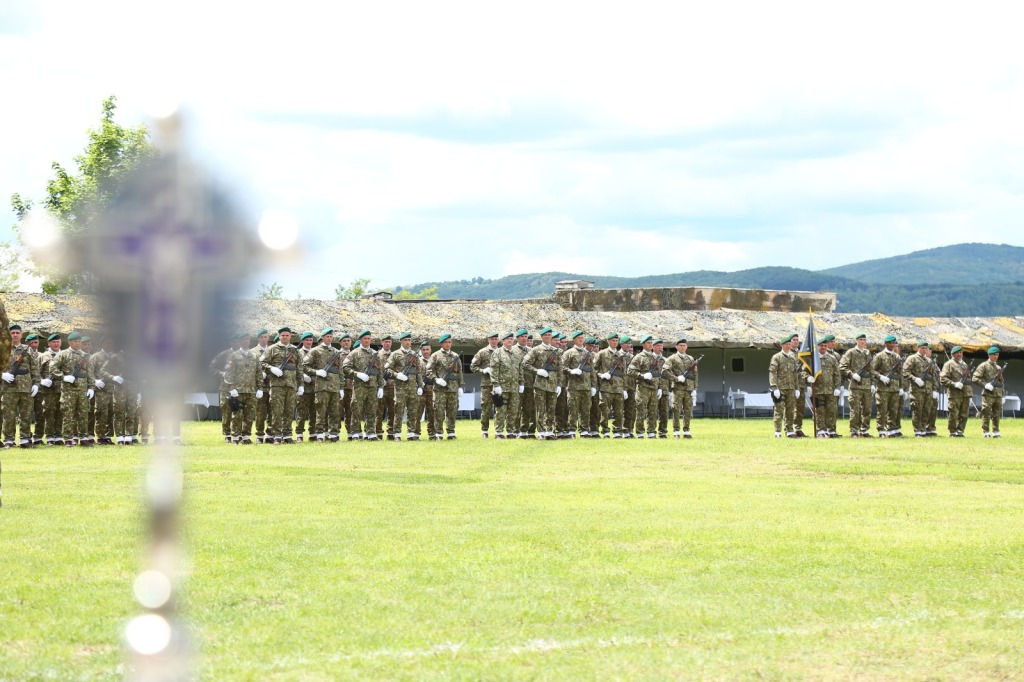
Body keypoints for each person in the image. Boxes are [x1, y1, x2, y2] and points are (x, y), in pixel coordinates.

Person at [47, 331, 93, 446]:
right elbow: (52, 368)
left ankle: (83, 437)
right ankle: (68, 438)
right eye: (75, 341)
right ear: (70, 342)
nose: (77, 344)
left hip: (83, 389)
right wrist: (64, 377)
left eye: (79, 341)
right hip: (68, 389)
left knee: (83, 413)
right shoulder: (63, 354)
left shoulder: (86, 356)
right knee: (68, 414)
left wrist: (91, 387)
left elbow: (90, 373)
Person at [2, 324, 40, 449]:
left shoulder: (28, 349)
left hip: (26, 387)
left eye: (17, 333)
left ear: (21, 334)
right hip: (8, 387)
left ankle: (25, 439)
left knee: (26, 414)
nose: (15, 335)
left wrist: (36, 384)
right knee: (9, 415)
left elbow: (34, 368)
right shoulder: (3, 349)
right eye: (12, 333)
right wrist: (2, 375)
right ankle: (9, 439)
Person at [261, 326, 302, 444]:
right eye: (283, 335)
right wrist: (272, 368)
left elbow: (299, 368)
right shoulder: (272, 349)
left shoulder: (295, 350)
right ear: (279, 336)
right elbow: (262, 362)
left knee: (289, 411)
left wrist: (301, 385)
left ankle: (287, 435)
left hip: (291, 385)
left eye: (287, 335)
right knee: (276, 411)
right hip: (277, 385)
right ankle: (277, 435)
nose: (285, 337)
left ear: (290, 337)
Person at [343, 330, 384, 440]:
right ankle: (356, 432)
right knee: (356, 409)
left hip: (373, 386)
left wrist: (380, 387)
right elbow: (345, 368)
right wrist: (357, 374)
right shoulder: (354, 353)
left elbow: (380, 371)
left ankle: (370, 432)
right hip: (359, 386)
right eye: (365, 338)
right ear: (361, 339)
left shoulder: (375, 354)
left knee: (372, 409)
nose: (367, 340)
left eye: (368, 338)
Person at [304, 329, 344, 442]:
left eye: (331, 337)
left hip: (334, 386)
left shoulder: (336, 352)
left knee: (334, 412)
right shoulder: (315, 351)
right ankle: (320, 434)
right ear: (322, 338)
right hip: (322, 386)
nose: (329, 338)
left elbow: (340, 371)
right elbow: (303, 366)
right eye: (327, 336)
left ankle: (333, 434)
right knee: (320, 411)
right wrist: (316, 372)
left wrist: (341, 387)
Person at [522, 328, 560, 440]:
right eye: (546, 335)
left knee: (551, 409)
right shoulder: (536, 350)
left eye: (550, 335)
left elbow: (560, 369)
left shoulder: (556, 351)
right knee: (540, 409)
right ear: (542, 337)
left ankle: (549, 431)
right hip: (540, 385)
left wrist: (559, 384)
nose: (548, 337)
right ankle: (541, 432)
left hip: (553, 384)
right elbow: (525, 363)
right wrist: (537, 371)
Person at [386, 332, 425, 441]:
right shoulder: (395, 354)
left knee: (413, 411)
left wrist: (420, 386)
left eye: (409, 340)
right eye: (406, 340)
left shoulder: (415, 355)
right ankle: (397, 433)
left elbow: (418, 372)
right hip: (400, 388)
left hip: (413, 387)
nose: (408, 342)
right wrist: (397, 375)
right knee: (398, 411)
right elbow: (387, 369)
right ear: (401, 341)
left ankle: (411, 433)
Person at [426, 333, 463, 440]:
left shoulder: (456, 356)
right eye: (446, 342)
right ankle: (438, 433)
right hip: (440, 390)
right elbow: (428, 371)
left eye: (449, 342)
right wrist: (436, 379)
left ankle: (451, 432)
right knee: (439, 411)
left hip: (453, 388)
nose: (448, 344)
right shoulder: (435, 356)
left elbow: (460, 372)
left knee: (452, 411)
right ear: (442, 344)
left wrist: (461, 386)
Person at [802, 339, 841, 438]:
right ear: (817, 347)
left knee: (832, 410)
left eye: (824, 345)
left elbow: (837, 374)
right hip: (817, 390)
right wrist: (808, 377)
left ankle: (831, 430)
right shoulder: (812, 359)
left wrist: (837, 387)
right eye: (821, 346)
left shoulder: (832, 358)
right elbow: (803, 372)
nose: (823, 347)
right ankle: (821, 430)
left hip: (830, 390)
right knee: (819, 411)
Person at [839, 333, 874, 437]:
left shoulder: (867, 353)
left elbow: (871, 369)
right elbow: (842, 366)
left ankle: (865, 430)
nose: (863, 341)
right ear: (856, 340)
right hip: (855, 386)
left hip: (867, 386)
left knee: (867, 409)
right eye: (861, 339)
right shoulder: (851, 352)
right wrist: (852, 374)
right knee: (855, 409)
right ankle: (854, 431)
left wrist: (872, 383)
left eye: (864, 339)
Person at [561, 331, 595, 438]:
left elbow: (592, 371)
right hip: (574, 386)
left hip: (586, 386)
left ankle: (584, 430)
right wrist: (571, 371)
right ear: (574, 340)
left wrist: (593, 386)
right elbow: (562, 367)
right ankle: (571, 430)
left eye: (582, 338)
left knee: (586, 409)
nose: (581, 339)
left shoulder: (588, 354)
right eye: (579, 338)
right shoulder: (569, 353)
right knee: (573, 409)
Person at [489, 332, 523, 439]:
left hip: (514, 387)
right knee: (501, 410)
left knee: (513, 410)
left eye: (511, 339)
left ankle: (510, 431)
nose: (510, 341)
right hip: (502, 387)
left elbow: (520, 369)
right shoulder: (497, 353)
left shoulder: (516, 354)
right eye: (507, 339)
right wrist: (496, 384)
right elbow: (494, 370)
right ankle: (499, 432)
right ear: (503, 341)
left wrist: (521, 383)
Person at [903, 341, 939, 437]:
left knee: (926, 410)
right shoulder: (912, 358)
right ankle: (917, 430)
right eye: (922, 348)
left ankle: (923, 429)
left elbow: (933, 376)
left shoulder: (929, 361)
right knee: (917, 410)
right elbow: (905, 372)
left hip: (928, 390)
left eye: (926, 348)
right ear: (918, 348)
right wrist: (915, 379)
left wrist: (935, 389)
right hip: (917, 390)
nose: (924, 350)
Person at [871, 335, 905, 438]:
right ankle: (881, 430)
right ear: (885, 344)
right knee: (882, 409)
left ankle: (892, 429)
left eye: (894, 343)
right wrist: (880, 377)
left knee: (894, 409)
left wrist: (901, 387)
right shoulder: (879, 356)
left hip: (895, 388)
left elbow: (901, 373)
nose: (893, 345)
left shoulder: (897, 357)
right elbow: (872, 370)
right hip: (883, 388)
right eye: (890, 343)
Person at [627, 335, 660, 439]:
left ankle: (651, 431)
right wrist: (642, 376)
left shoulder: (655, 357)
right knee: (641, 410)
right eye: (648, 343)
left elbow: (659, 373)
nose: (650, 345)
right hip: (643, 387)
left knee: (653, 410)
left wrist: (660, 387)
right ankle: (640, 432)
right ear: (643, 344)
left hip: (654, 387)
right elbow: (630, 371)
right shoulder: (639, 357)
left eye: (651, 343)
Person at [665, 338, 698, 438]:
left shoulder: (691, 359)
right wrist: (675, 378)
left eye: (684, 345)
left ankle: (686, 430)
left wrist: (695, 388)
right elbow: (665, 371)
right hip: (678, 388)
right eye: (680, 345)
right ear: (676, 347)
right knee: (676, 410)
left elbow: (695, 374)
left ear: (686, 346)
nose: (682, 347)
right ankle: (676, 431)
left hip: (689, 389)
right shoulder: (672, 358)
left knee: (688, 410)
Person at [769, 336, 799, 438]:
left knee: (790, 410)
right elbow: (773, 372)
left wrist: (797, 388)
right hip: (780, 388)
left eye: (789, 344)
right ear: (782, 345)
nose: (788, 346)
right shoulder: (777, 357)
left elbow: (795, 374)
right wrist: (774, 387)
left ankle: (789, 430)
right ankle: (778, 431)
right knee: (779, 410)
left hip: (791, 388)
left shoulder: (792, 357)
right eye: (786, 344)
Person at [470, 333, 499, 438]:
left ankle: (498, 431)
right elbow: (473, 367)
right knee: (486, 408)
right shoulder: (482, 352)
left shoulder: (501, 351)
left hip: (499, 385)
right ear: (488, 340)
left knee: (499, 408)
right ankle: (485, 431)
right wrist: (483, 370)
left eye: (496, 339)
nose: (494, 341)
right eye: (492, 339)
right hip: (487, 385)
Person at [37, 333, 64, 445]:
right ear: (49, 343)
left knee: (61, 412)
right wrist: (42, 381)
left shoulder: (64, 355)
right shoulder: (43, 356)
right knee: (49, 412)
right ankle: (49, 436)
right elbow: (35, 372)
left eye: (58, 341)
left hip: (63, 389)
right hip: (49, 390)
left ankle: (58, 436)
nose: (56, 344)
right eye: (53, 342)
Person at [940, 345, 972, 437]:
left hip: (965, 394)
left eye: (961, 352)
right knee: (954, 414)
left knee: (964, 414)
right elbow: (943, 379)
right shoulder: (949, 364)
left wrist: (970, 393)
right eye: (957, 353)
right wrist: (954, 384)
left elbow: (968, 380)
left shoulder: (965, 365)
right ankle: (953, 432)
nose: (959, 354)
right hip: (955, 394)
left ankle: (960, 431)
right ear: (952, 354)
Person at [209, 337, 237, 443]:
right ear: (230, 342)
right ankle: (227, 434)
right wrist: (222, 374)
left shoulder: (243, 354)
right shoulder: (224, 354)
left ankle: (237, 433)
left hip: (240, 387)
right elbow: (212, 368)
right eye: (234, 341)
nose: (236, 343)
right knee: (226, 410)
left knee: (239, 410)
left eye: (238, 340)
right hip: (225, 387)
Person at [973, 346, 1005, 438]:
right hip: (988, 394)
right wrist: (985, 385)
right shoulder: (983, 365)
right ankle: (986, 432)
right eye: (994, 355)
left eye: (997, 355)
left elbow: (1001, 382)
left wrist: (1003, 394)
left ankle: (996, 432)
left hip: (998, 394)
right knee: (986, 412)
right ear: (989, 355)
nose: (996, 356)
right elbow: (975, 378)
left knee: (997, 413)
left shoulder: (998, 367)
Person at [249, 329, 271, 443]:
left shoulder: (272, 350)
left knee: (273, 411)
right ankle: (260, 435)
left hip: (273, 385)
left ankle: (270, 435)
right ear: (258, 338)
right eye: (262, 337)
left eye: (266, 337)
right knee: (260, 412)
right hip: (260, 387)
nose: (264, 339)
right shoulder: (252, 352)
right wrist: (258, 374)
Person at [295, 331, 317, 442]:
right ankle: (299, 433)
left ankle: (313, 433)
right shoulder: (298, 352)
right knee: (301, 411)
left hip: (315, 386)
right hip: (302, 386)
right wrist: (302, 376)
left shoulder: (316, 352)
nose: (309, 342)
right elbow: (294, 367)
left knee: (314, 411)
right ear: (303, 341)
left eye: (310, 340)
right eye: (307, 340)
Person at [513, 329, 535, 438]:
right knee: (516, 408)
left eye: (526, 336)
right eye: (522, 336)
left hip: (530, 384)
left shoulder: (532, 350)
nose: (524, 338)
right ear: (517, 338)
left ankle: (524, 430)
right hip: (517, 384)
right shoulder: (512, 350)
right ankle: (515, 430)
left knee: (528, 408)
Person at [375, 335, 395, 441]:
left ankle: (391, 432)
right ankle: (378, 432)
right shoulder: (377, 355)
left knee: (393, 411)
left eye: (389, 342)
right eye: (386, 342)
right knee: (379, 411)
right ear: (382, 343)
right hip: (380, 388)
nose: (387, 343)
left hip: (392, 387)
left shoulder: (395, 355)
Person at [417, 341, 436, 440]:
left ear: (431, 350)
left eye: (427, 349)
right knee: (417, 412)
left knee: (432, 413)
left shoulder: (435, 361)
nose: (425, 351)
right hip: (420, 391)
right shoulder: (417, 361)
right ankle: (415, 433)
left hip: (432, 389)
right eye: (423, 350)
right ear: (421, 350)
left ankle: (432, 433)